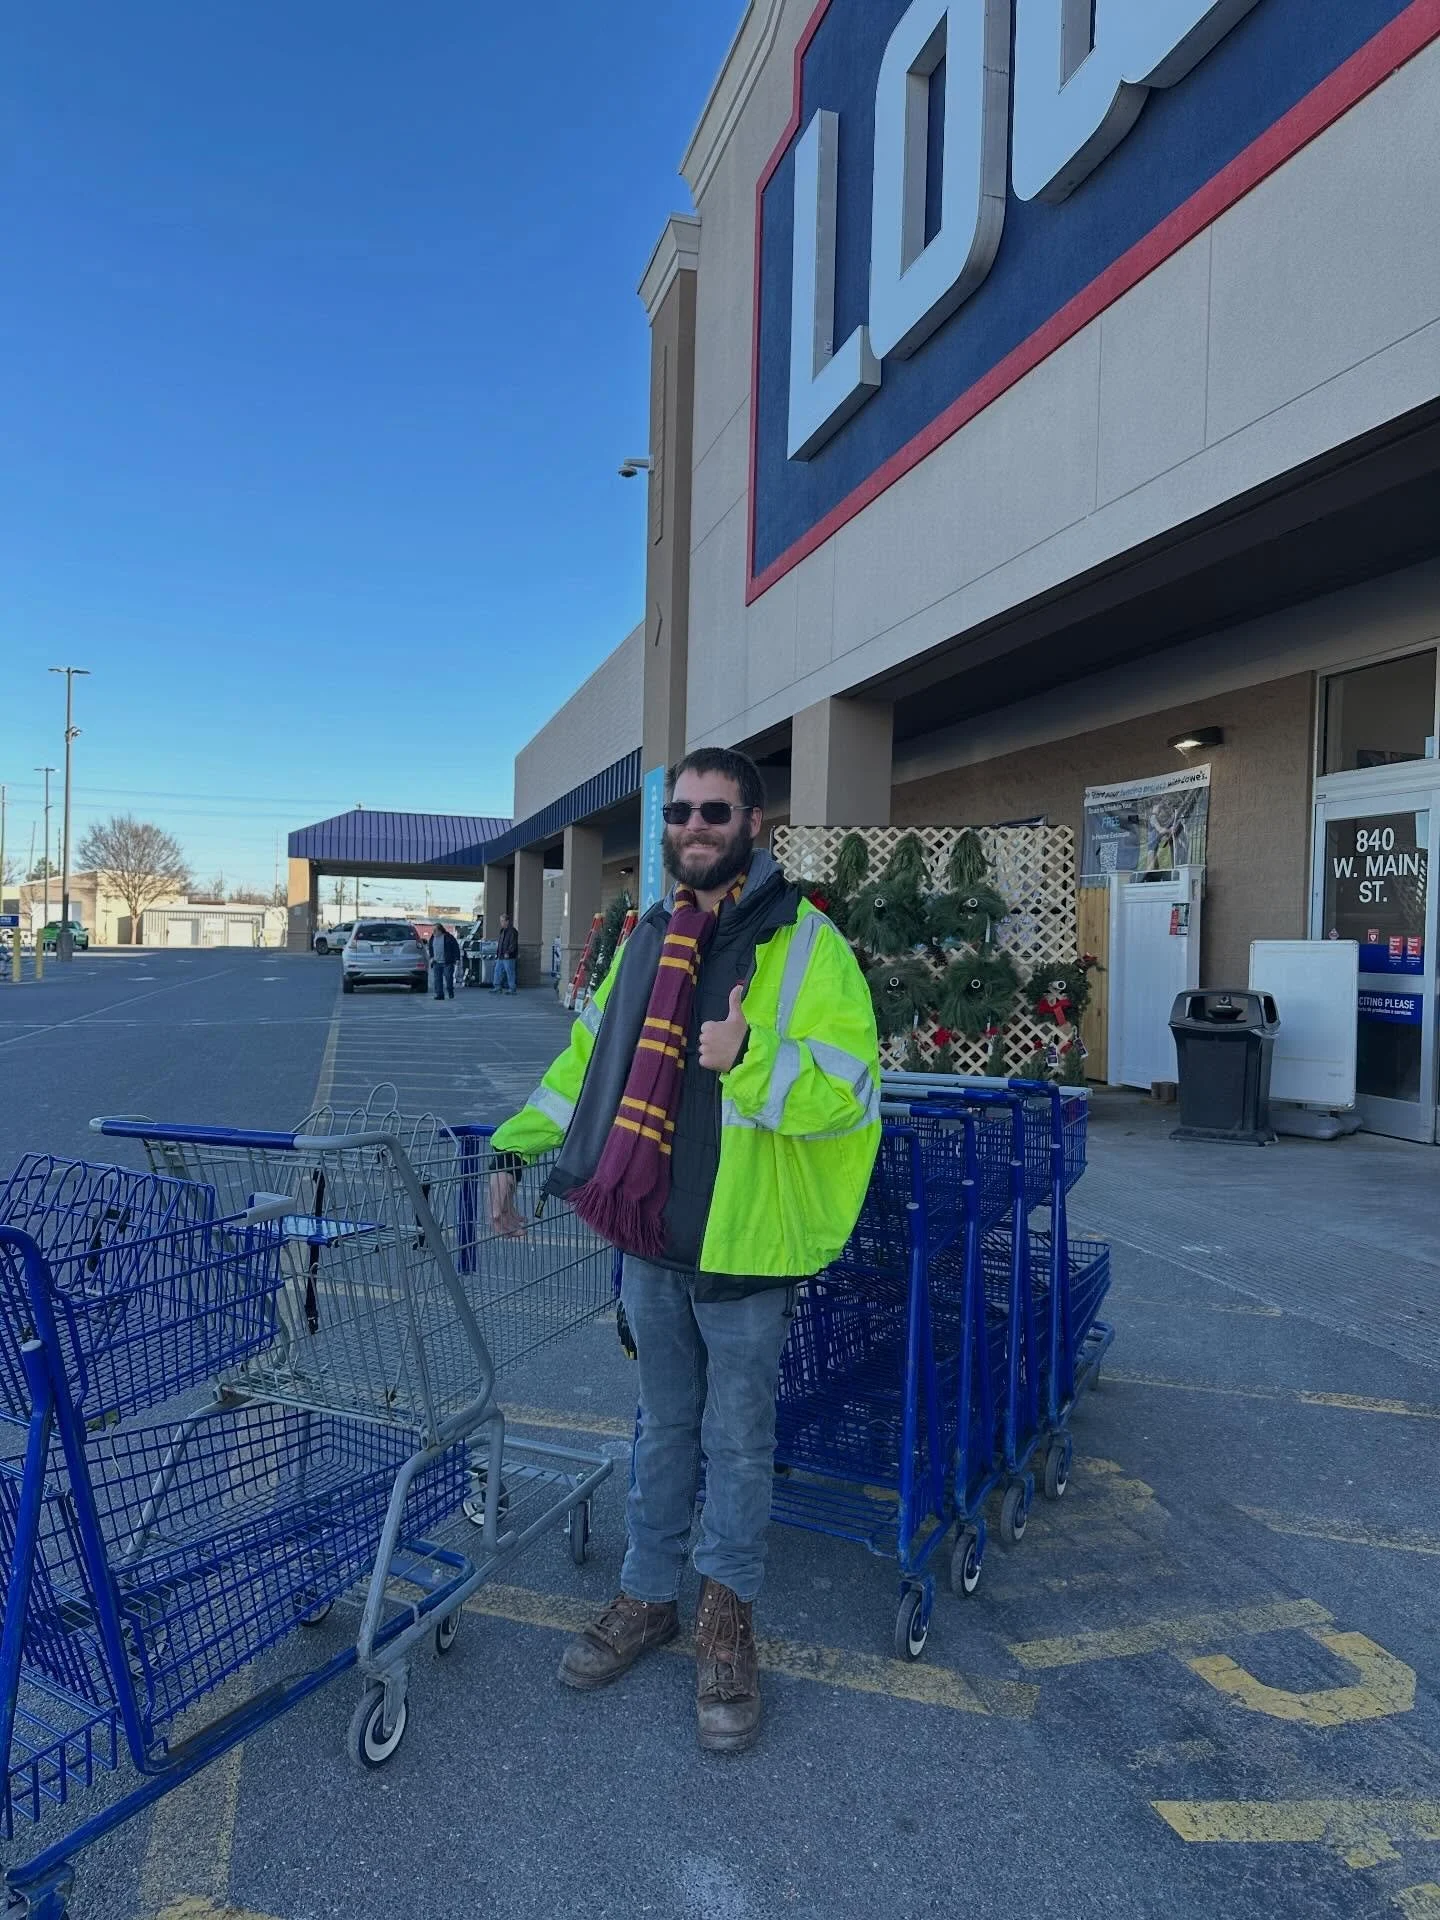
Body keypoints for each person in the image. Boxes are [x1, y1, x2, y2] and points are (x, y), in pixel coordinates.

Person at [487, 747, 880, 1753]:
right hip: (653, 1235)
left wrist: (749, 1059)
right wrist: (512, 1150)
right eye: (678, 812)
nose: (692, 826)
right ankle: (645, 1595)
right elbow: (588, 1065)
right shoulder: (647, 937)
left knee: (738, 1442)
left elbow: (851, 1097)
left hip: (747, 1249)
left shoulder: (806, 945)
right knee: (664, 1428)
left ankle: (725, 1621)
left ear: (756, 825)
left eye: (715, 810)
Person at [429, 922, 460, 999]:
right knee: (437, 979)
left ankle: (450, 990)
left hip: (447, 962)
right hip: (436, 962)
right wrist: (432, 957)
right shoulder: (432, 938)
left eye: (435, 930)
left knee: (449, 978)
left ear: (440, 930)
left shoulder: (448, 937)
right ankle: (440, 995)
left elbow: (456, 948)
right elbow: (430, 948)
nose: (433, 932)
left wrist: (457, 959)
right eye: (433, 930)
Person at [493, 914, 519, 994]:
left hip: (508, 957)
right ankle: (497, 987)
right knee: (497, 971)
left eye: (502, 921)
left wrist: (508, 952)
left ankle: (512, 989)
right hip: (501, 956)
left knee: (510, 972)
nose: (501, 922)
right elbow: (500, 943)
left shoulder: (512, 931)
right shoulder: (502, 931)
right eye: (501, 921)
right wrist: (498, 953)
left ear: (507, 921)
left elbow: (513, 944)